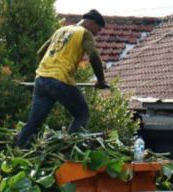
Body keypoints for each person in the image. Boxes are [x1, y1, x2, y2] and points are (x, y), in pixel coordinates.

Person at [16, 10, 109, 148]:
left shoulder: (60, 31)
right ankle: (68, 148)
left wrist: (49, 69)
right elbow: (94, 56)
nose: (97, 33)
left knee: (34, 122)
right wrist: (101, 81)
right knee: (82, 114)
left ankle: (17, 152)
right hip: (59, 79)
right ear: (91, 23)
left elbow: (40, 52)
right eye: (98, 29)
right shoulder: (84, 33)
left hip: (41, 79)